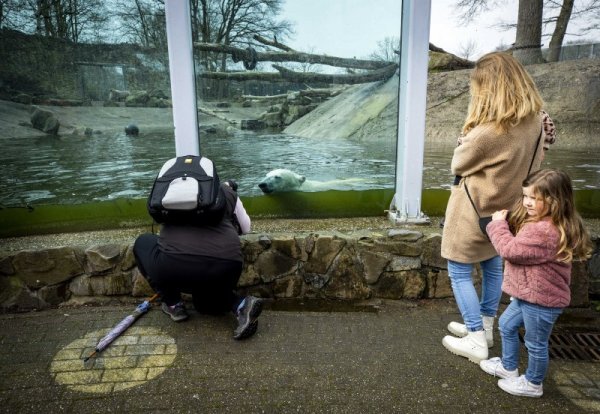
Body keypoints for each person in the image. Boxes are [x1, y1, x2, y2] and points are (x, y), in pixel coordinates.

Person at [441, 52, 557, 363]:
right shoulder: (537, 121)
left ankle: (477, 338)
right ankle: (487, 326)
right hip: (505, 212)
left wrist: (466, 135)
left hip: (472, 210)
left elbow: (459, 162)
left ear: (490, 89)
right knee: (492, 264)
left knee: (459, 269)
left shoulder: (489, 131)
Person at [479, 169, 593, 397]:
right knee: (507, 325)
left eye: (534, 198)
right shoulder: (546, 222)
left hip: (541, 300)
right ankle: (508, 367)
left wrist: (498, 225)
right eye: (526, 196)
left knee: (536, 343)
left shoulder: (543, 231)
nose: (528, 203)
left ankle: (533, 383)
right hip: (529, 294)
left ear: (554, 201)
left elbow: (510, 250)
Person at [133, 179, 264, 340]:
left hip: (176, 266)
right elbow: (246, 227)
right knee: (204, 305)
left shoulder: (170, 193)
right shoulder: (225, 192)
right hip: (226, 266)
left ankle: (174, 304)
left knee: (142, 242)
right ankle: (242, 304)